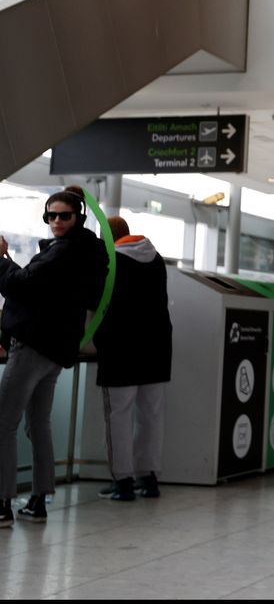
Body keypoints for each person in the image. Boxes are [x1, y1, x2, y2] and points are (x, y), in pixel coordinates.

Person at [0, 186, 107, 527]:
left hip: (33, 344)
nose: (57, 222)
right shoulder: (90, 253)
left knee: (5, 424)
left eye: (64, 216)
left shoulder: (64, 252)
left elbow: (21, 285)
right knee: (38, 423)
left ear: (79, 218)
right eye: (51, 216)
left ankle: (2, 503)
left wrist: (2, 259)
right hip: (56, 349)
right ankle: (38, 500)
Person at [93, 216, 172, 501]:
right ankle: (149, 478)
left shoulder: (112, 263)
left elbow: (98, 303)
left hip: (120, 349)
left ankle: (122, 481)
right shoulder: (156, 259)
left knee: (119, 416)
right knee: (151, 416)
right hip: (157, 348)